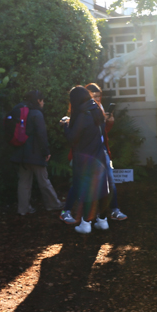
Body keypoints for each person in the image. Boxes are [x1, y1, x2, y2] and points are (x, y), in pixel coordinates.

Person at [61, 84, 127, 224]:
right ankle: (71, 212)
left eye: (99, 96)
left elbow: (98, 133)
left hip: (95, 152)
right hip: (90, 153)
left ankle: (106, 213)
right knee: (85, 183)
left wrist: (109, 122)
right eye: (94, 96)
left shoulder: (94, 109)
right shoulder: (86, 110)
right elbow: (84, 134)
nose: (97, 99)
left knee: (104, 182)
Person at [8, 90, 61, 215]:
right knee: (44, 181)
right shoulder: (37, 114)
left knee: (23, 182)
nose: (43, 103)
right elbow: (42, 135)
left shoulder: (18, 111)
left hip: (20, 153)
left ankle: (23, 209)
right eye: (42, 100)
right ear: (38, 101)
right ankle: (53, 204)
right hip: (35, 154)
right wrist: (46, 151)